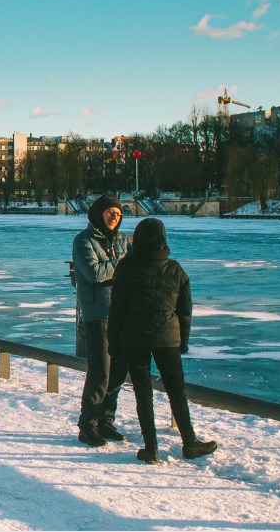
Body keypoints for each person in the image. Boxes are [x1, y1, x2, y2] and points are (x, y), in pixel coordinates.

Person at [108, 218, 217, 464]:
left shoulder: (127, 267)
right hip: (169, 338)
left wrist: (113, 342)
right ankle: (189, 443)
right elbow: (185, 309)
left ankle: (151, 447)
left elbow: (117, 310)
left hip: (134, 339)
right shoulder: (175, 269)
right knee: (177, 390)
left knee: (143, 392)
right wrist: (183, 340)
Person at [73, 195, 131, 447]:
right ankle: (88, 425)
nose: (113, 217)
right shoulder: (83, 241)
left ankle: (106, 421)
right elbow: (94, 273)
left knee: (118, 371)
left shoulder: (122, 240)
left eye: (118, 214)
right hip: (97, 314)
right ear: (98, 213)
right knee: (100, 372)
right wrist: (121, 263)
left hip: (122, 314)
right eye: (109, 212)